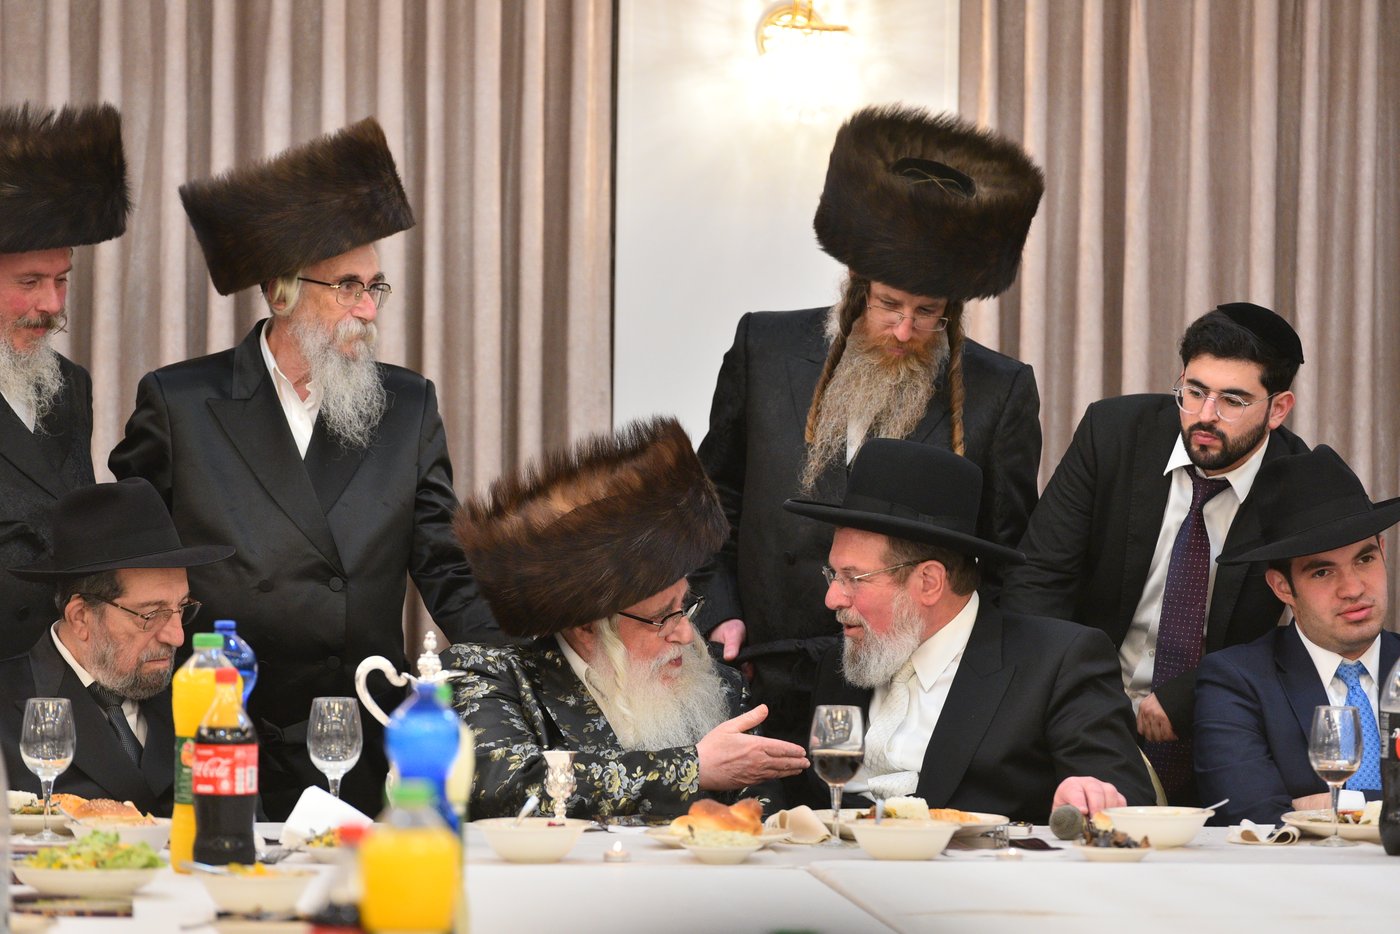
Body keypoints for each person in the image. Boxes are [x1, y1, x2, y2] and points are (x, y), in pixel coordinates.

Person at [109, 118, 498, 819]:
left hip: (357, 733)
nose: (367, 309)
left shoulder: (407, 405)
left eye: (376, 287)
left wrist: (524, 656)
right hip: (222, 728)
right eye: (347, 286)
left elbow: (446, 564)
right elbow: (132, 565)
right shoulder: (180, 402)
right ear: (283, 291)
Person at [695, 105, 1045, 751]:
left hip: (905, 693)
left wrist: (974, 684)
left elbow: (1005, 558)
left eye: (927, 312)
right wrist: (720, 611)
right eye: (888, 305)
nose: (905, 330)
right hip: (762, 667)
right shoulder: (764, 348)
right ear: (856, 287)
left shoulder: (1001, 392)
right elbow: (711, 502)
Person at [1002, 303, 1309, 802]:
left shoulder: (1298, 483)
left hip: (1221, 714)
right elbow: (1038, 579)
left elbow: (1311, 630)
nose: (1205, 416)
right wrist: (1078, 701)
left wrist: (1194, 692)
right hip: (1084, 699)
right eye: (1195, 392)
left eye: (1233, 400)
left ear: (1278, 408)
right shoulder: (1114, 433)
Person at [449, 416, 809, 821]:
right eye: (661, 617)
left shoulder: (719, 688)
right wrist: (692, 768)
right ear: (585, 625)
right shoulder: (491, 676)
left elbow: (763, 817)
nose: (685, 633)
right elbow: (506, 786)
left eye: (684, 606)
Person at [787, 440, 1153, 821]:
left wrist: (1092, 795)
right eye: (833, 574)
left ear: (929, 582)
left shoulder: (1057, 664)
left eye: (853, 578)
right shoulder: (842, 663)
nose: (832, 598)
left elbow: (1130, 803)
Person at [0, 478, 233, 815]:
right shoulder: (8, 704)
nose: (177, 637)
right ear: (80, 617)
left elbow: (244, 823)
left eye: (182, 608)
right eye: (150, 614)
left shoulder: (200, 695)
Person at [1195, 446, 1400, 827]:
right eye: (1322, 572)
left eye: (1364, 559)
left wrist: (1326, 805)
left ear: (1383, 553)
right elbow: (1248, 812)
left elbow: (1285, 813)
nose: (1353, 588)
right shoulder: (1236, 680)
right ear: (1282, 587)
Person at [0, 102, 129, 657]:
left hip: (55, 670)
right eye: (30, 282)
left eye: (61, 280)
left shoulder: (70, 384)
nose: (52, 305)